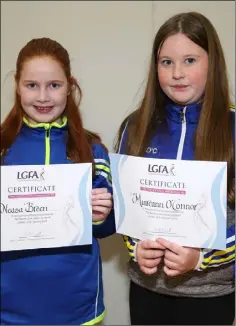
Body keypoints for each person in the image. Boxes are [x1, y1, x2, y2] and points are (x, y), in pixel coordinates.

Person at [115, 11, 235, 325]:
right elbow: (126, 206)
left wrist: (202, 257)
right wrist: (136, 247)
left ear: (213, 63)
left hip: (210, 297)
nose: (177, 73)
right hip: (147, 291)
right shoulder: (136, 125)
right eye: (166, 62)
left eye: (190, 60)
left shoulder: (233, 127)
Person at [1, 37, 116, 325]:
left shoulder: (92, 149)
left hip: (77, 307)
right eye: (32, 85)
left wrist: (101, 215)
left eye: (54, 85)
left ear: (70, 87)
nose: (43, 97)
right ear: (17, 85)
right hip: (9, 309)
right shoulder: (2, 148)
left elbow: (107, 229)